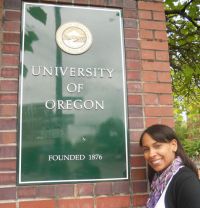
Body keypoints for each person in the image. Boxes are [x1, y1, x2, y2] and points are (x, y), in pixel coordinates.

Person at [139, 124, 200, 208]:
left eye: (157, 146)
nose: (151, 154)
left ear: (173, 145)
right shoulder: (158, 180)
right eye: (146, 149)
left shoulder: (186, 181)